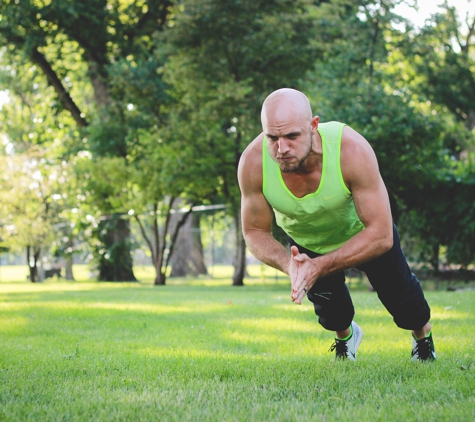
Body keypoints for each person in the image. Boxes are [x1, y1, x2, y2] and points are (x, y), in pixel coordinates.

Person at [237, 88, 436, 361]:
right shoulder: (253, 163)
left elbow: (381, 234)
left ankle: (423, 339)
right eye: (272, 138)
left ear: (313, 125)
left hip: (363, 235)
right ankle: (346, 337)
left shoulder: (350, 150)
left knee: (404, 300)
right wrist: (291, 266)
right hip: (308, 242)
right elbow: (254, 230)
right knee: (332, 313)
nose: (281, 149)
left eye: (292, 136)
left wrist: (320, 266)